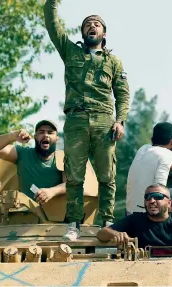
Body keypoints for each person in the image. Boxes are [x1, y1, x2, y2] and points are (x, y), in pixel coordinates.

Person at [44, 0, 130, 241]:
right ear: (82, 32)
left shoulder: (113, 62)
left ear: (103, 33)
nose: (92, 27)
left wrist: (120, 120)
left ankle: (107, 221)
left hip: (104, 121)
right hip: (76, 120)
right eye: (87, 25)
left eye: (97, 24)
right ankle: (74, 223)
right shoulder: (70, 51)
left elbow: (123, 93)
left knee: (107, 175)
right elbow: (52, 26)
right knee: (74, 174)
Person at [96, 184, 172, 247]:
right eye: (148, 197)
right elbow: (101, 234)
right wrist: (115, 233)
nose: (152, 201)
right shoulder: (135, 220)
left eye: (158, 197)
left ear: (169, 202)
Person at [0, 120, 65, 204]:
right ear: (35, 137)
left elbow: (70, 185)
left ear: (57, 138)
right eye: (41, 132)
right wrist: (13, 136)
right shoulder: (23, 153)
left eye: (50, 132)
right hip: (26, 214)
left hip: (55, 215)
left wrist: (51, 192)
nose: (45, 135)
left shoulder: (63, 157)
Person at [126, 122, 172, 215]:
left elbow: (152, 158)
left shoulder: (142, 149)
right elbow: (159, 187)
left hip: (130, 210)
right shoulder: (167, 154)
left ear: (152, 139)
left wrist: (168, 164)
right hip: (146, 212)